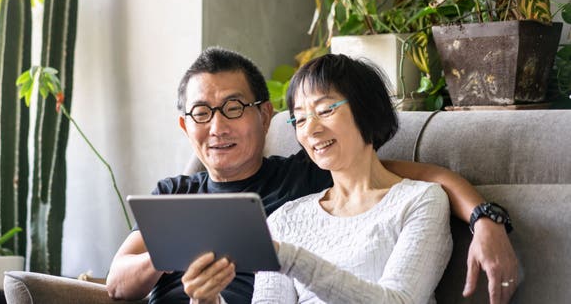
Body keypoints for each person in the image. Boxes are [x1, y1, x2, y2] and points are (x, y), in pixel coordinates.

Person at [106, 47, 518, 304]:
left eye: (233, 108)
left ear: (265, 116)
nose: (217, 127)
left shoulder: (302, 178)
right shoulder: (276, 215)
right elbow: (116, 284)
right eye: (301, 119)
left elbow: (424, 177)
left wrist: (486, 219)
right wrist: (192, 262)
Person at [251, 53, 450, 303]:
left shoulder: (419, 201)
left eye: (324, 110)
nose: (311, 129)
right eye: (299, 119)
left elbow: (400, 301)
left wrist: (292, 259)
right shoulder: (284, 220)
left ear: (366, 109)